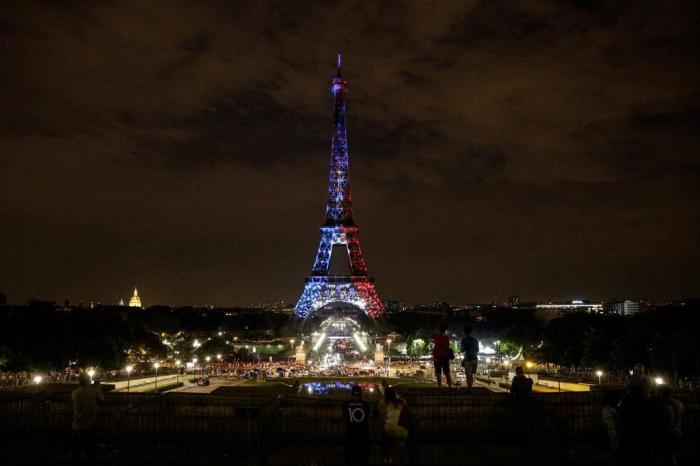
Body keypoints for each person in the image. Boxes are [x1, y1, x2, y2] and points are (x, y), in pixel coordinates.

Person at [71, 373, 104, 465]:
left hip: (77, 425)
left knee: (76, 451)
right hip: (90, 425)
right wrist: (98, 387)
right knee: (89, 451)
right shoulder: (93, 391)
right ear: (88, 381)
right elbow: (102, 399)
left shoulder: (75, 393)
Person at [379, 387, 409, 464]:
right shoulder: (402, 402)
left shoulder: (383, 403)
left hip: (389, 432)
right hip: (403, 432)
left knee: (384, 436)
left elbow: (381, 417)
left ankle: (385, 458)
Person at [343, 385, 371, 466]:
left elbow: (345, 415)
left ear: (352, 394)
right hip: (363, 436)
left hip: (350, 435)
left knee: (350, 460)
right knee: (363, 460)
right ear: (361, 394)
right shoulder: (366, 405)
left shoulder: (345, 405)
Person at [657, 385, 684, 466]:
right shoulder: (679, 403)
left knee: (667, 456)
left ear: (662, 393)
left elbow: (668, 420)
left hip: (668, 434)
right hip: (677, 432)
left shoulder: (665, 406)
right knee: (674, 455)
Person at [510, 366, 533, 441]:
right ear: (523, 372)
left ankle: (523, 437)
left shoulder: (516, 380)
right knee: (528, 421)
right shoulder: (528, 381)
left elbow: (512, 391)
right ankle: (529, 437)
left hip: (520, 403)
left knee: (520, 420)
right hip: (529, 403)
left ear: (516, 372)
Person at [602, 391, 621, 461]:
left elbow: (605, 420)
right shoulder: (611, 409)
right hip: (612, 426)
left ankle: (614, 452)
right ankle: (615, 452)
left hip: (610, 427)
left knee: (613, 440)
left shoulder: (605, 410)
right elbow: (617, 416)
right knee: (615, 440)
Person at [460, 325, 479, 391]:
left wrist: (464, 349)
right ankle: (471, 387)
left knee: (468, 375)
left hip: (468, 359)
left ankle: (469, 389)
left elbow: (462, 350)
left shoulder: (464, 340)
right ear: (471, 332)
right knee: (472, 375)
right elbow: (477, 350)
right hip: (475, 359)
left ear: (464, 332)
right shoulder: (475, 340)